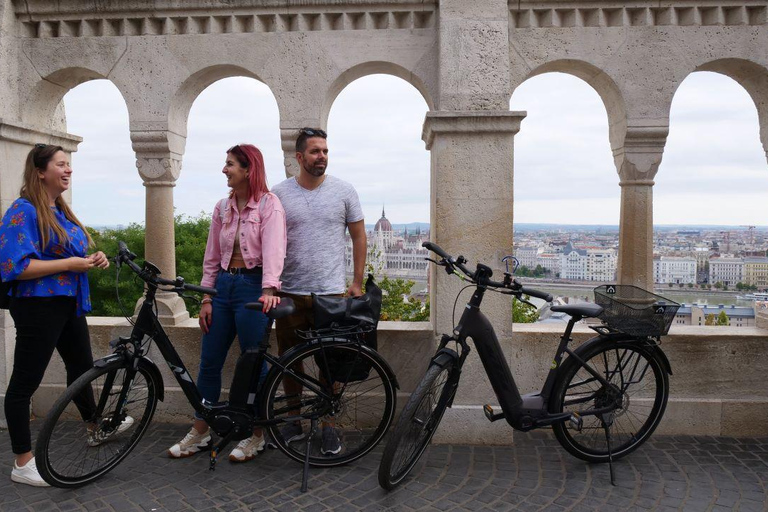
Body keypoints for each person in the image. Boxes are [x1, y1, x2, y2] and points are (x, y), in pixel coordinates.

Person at [1, 144, 114, 487]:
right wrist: (71, 264)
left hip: (66, 302)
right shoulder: (22, 212)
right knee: (24, 383)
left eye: (69, 165)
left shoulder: (59, 210)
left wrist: (93, 258)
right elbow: (15, 267)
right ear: (40, 171)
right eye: (61, 164)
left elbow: (70, 252)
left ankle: (94, 427)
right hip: (38, 306)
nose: (68, 170)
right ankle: (22, 461)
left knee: (81, 367)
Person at [167, 144, 286, 463]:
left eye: (230, 164)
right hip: (223, 287)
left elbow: (275, 250)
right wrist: (207, 296)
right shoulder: (222, 207)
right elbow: (211, 257)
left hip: (253, 287)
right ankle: (201, 428)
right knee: (209, 362)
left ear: (249, 169)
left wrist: (270, 288)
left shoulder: (268, 205)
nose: (224, 169)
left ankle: (255, 434)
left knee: (253, 364)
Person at [272, 127, 367, 456]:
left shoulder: (344, 191)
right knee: (289, 361)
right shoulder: (279, 194)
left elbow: (358, 236)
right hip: (290, 292)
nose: (322, 156)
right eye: (315, 151)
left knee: (332, 363)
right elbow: (270, 242)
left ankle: (329, 424)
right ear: (299, 157)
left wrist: (356, 282)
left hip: (330, 294)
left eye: (325, 151)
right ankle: (294, 420)